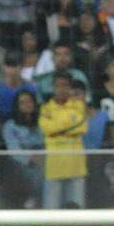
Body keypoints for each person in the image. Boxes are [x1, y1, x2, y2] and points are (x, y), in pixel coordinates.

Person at [39, 72, 88, 208]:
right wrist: (69, 125)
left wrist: (56, 128)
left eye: (65, 85)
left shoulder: (79, 106)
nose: (61, 89)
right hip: (54, 167)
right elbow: (46, 128)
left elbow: (82, 127)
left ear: (70, 88)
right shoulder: (45, 108)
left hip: (76, 167)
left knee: (77, 211)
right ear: (53, 87)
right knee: (51, 211)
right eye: (58, 86)